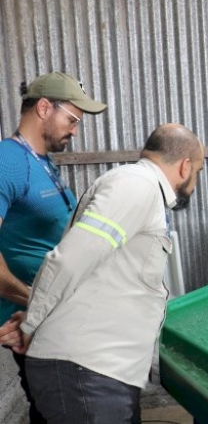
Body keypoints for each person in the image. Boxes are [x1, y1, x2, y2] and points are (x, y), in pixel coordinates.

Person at [13, 124, 204, 423]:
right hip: (86, 372)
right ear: (186, 165)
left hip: (100, 372)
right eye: (199, 171)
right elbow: (69, 259)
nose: (195, 180)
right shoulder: (136, 186)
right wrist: (32, 324)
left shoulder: (141, 189)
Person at [0, 72, 107, 424]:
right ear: (44, 108)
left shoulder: (42, 162)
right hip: (31, 319)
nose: (74, 130)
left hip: (56, 314)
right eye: (72, 119)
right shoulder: (7, 162)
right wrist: (36, 300)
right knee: (59, 411)